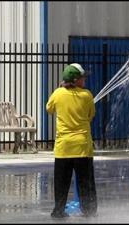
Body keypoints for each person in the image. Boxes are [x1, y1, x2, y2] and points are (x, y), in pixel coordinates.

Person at [46, 63, 98, 219]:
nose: (85, 80)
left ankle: (59, 211)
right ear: (76, 81)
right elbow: (90, 115)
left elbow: (49, 109)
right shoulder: (87, 95)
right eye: (83, 78)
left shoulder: (57, 93)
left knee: (61, 183)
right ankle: (89, 211)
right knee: (85, 182)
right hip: (82, 147)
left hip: (64, 148)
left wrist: (60, 90)